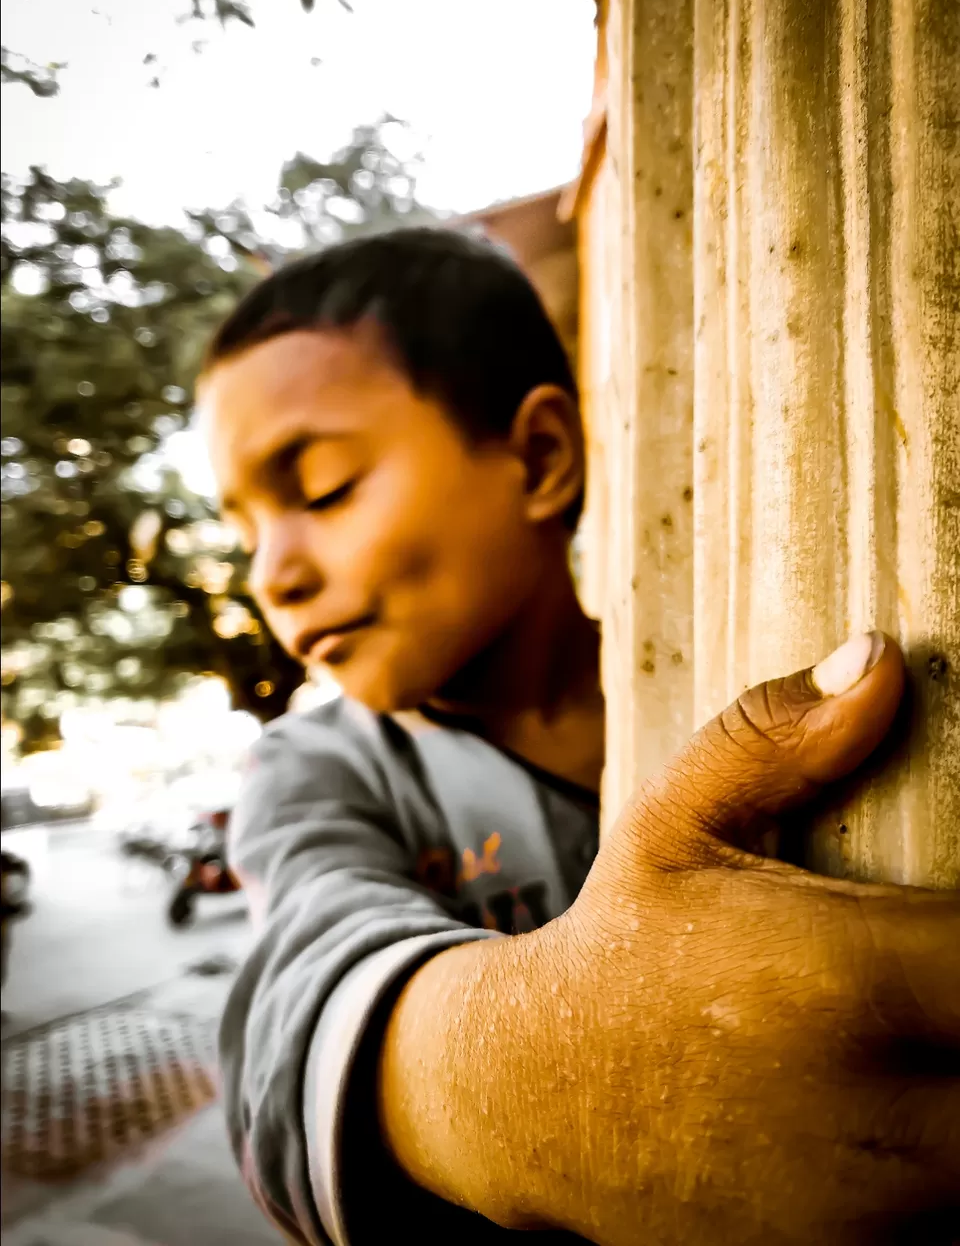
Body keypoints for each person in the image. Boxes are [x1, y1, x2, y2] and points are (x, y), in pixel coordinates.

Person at [199, 228, 959, 1245]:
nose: (271, 574)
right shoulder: (319, 767)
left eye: (325, 487)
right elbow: (300, 996)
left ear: (540, 456)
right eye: (247, 530)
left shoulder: (727, 657)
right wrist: (544, 1069)